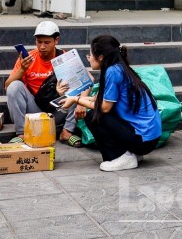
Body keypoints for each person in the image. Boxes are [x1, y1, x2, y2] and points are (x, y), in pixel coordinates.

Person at [61, 34, 162, 172]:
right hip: (150, 136)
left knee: (93, 116)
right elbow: (97, 99)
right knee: (97, 111)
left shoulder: (112, 71)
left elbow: (105, 107)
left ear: (101, 57)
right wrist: (73, 98)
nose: (89, 58)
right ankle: (131, 153)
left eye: (90, 55)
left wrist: (76, 100)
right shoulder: (119, 67)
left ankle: (120, 157)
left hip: (143, 139)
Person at [4, 21, 82, 146]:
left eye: (47, 42)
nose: (42, 47)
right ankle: (22, 133)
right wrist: (22, 69)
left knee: (77, 86)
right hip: (34, 108)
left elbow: (85, 81)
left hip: (58, 109)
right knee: (14, 86)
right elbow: (7, 86)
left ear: (56, 40)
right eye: (39, 42)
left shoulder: (65, 57)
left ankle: (67, 131)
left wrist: (80, 103)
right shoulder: (28, 58)